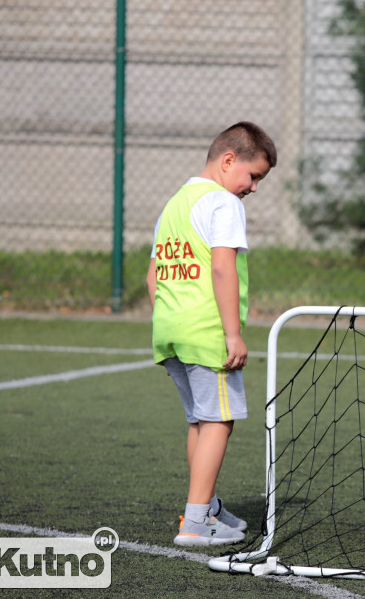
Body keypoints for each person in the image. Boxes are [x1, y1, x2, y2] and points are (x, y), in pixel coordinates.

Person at [146, 121, 277, 546]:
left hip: (170, 330)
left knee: (202, 421)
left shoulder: (174, 203)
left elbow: (153, 277)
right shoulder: (223, 203)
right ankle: (196, 521)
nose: (253, 187)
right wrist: (233, 333)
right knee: (218, 420)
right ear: (228, 161)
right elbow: (222, 267)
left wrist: (173, 318)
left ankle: (208, 507)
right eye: (253, 175)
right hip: (207, 333)